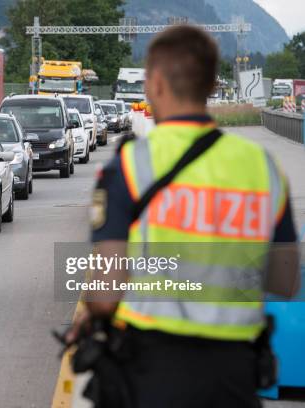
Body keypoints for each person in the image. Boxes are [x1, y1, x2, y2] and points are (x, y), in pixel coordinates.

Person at [69, 26, 300, 408]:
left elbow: (106, 293)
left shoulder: (130, 165)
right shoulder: (263, 167)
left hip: (151, 372)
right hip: (235, 376)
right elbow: (285, 279)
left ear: (156, 82)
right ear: (211, 84)